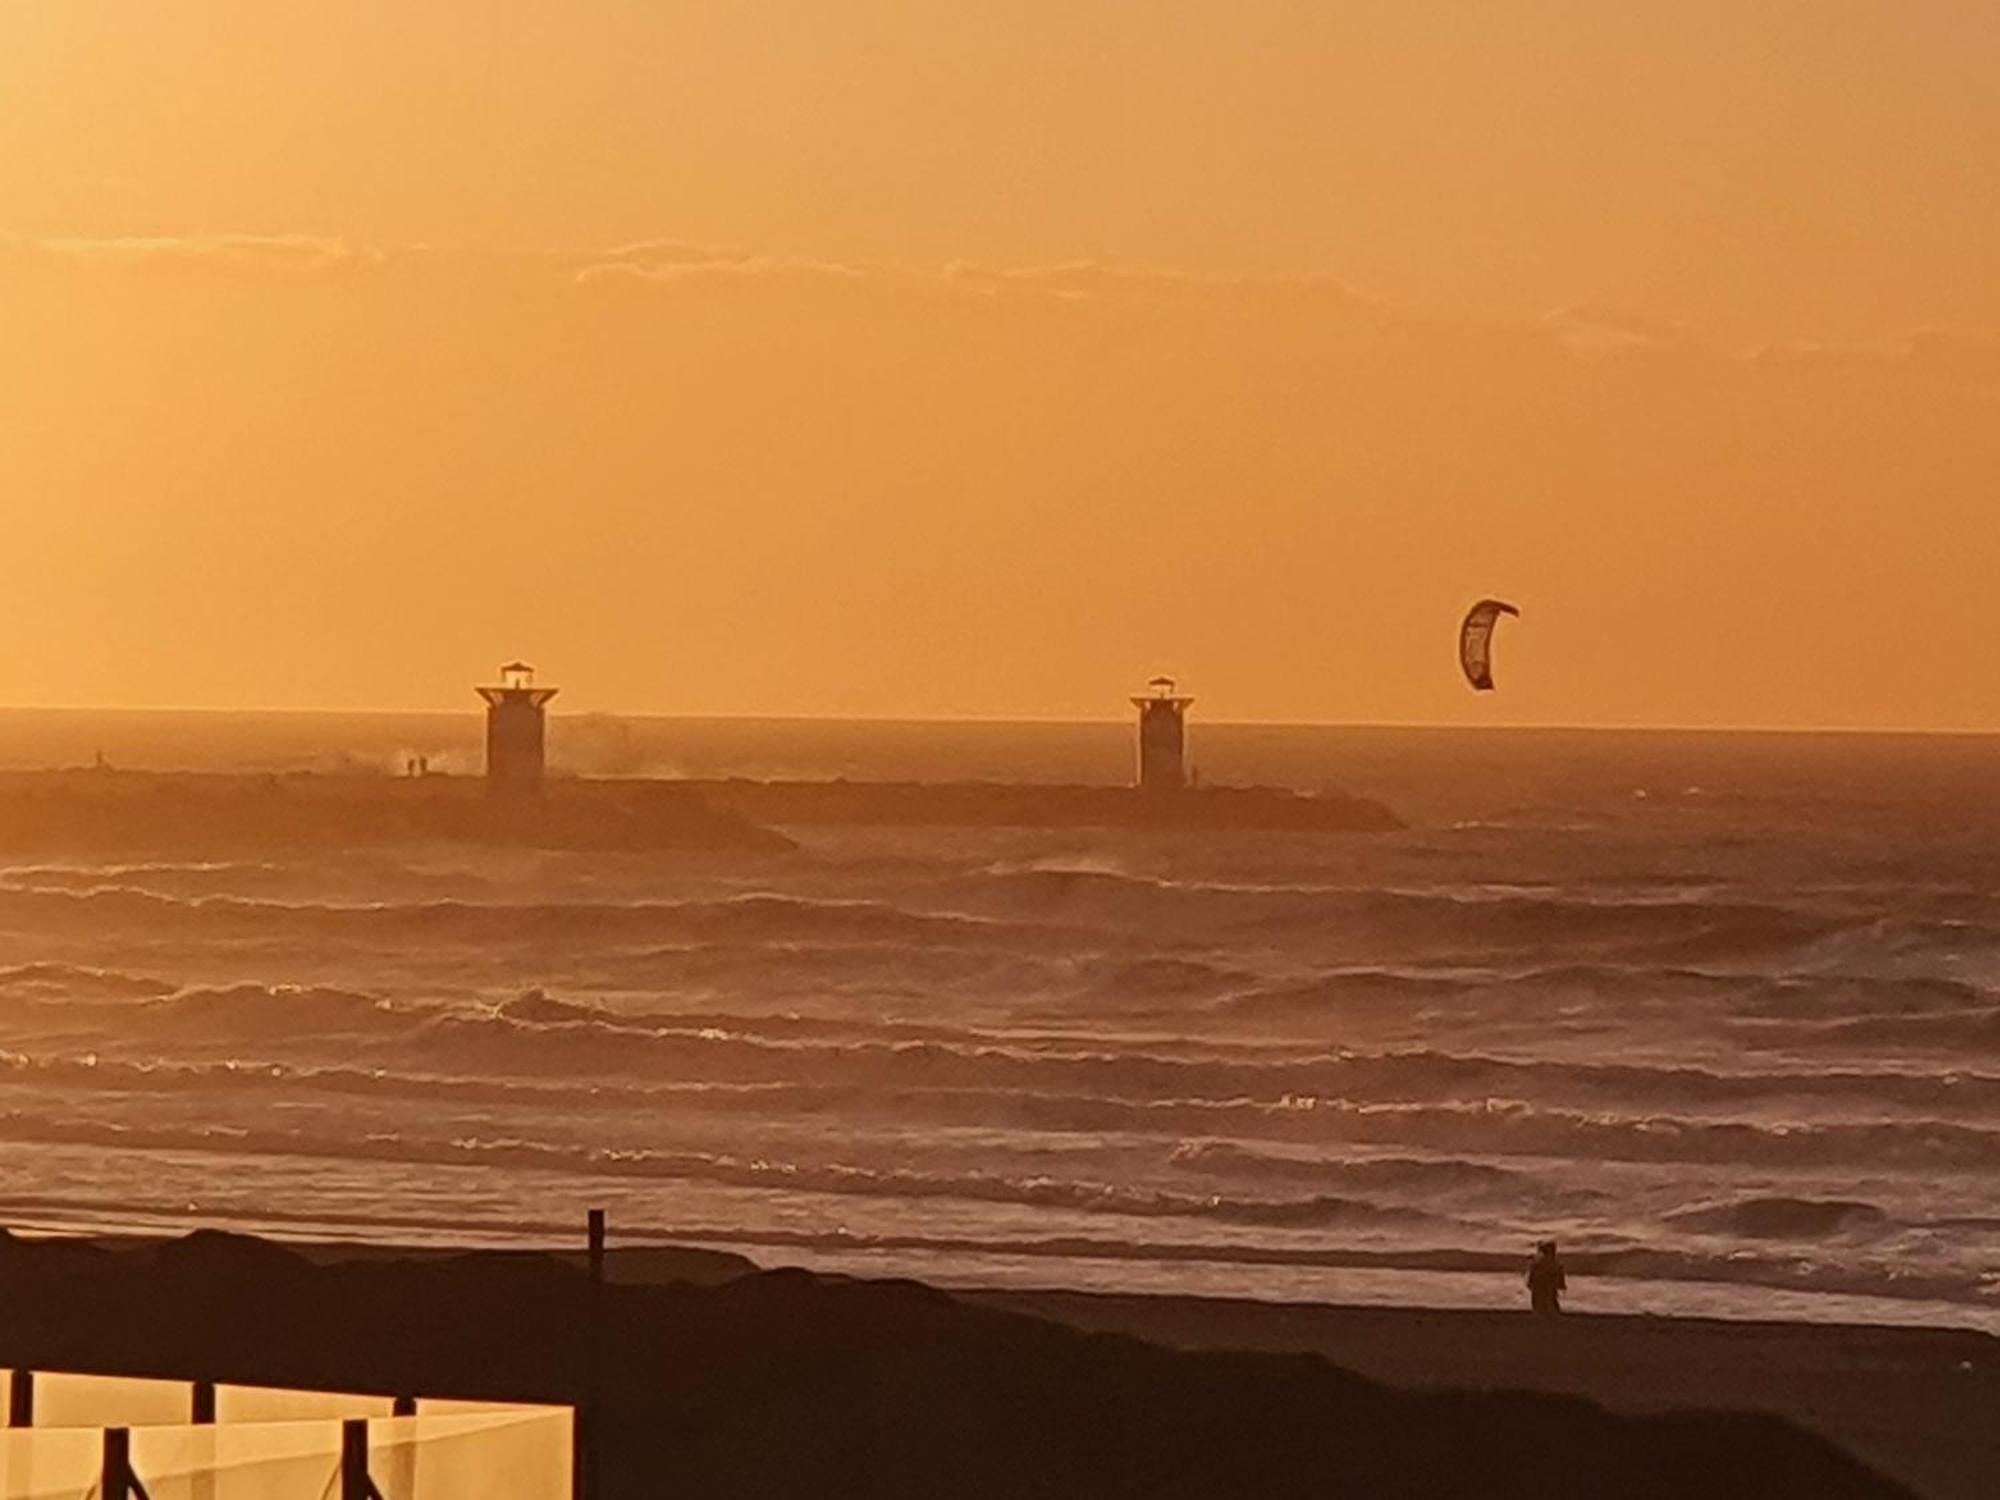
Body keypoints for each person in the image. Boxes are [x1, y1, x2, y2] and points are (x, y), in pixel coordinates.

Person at [1526, 1239, 1567, 1316]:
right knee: (1547, 1304)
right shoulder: (1554, 1264)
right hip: (1544, 1288)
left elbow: (1531, 1277)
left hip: (1543, 1289)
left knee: (1545, 1304)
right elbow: (1559, 1277)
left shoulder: (1537, 1263)